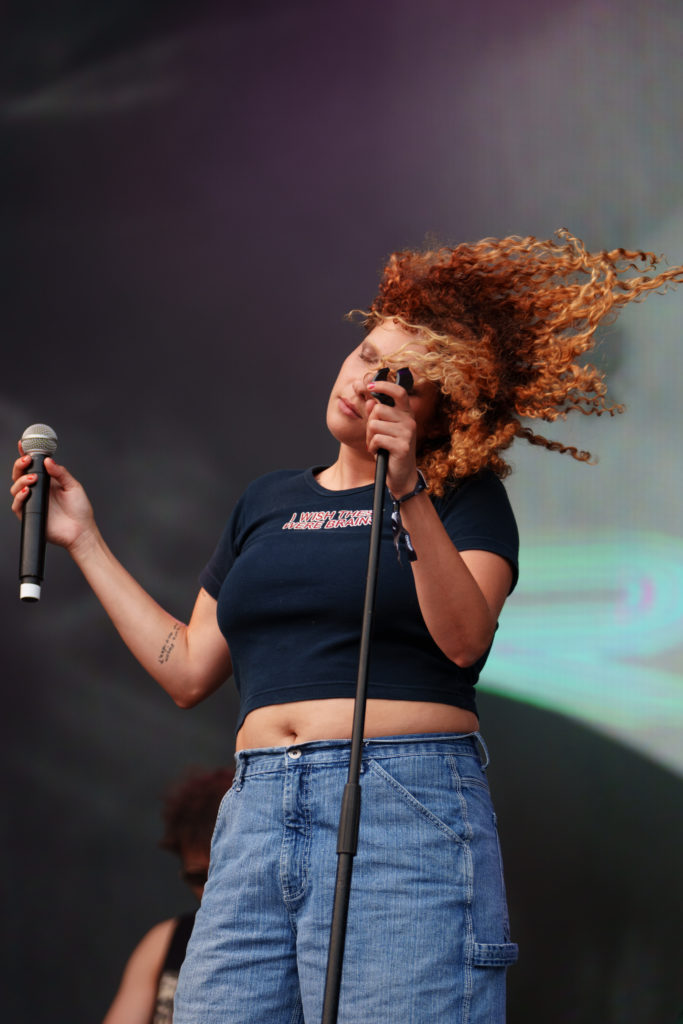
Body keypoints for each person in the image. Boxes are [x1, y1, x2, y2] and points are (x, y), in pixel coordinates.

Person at [11, 230, 683, 1023]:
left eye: (395, 380)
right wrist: (84, 540)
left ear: (435, 414)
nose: (364, 382)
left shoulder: (462, 500)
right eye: (365, 355)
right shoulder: (265, 501)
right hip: (257, 807)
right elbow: (187, 668)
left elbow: (464, 641)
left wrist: (407, 492)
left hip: (401, 797)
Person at [102, 766, 234, 1024]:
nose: (211, 892)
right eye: (198, 878)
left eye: (224, 875)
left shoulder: (296, 944)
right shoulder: (165, 941)